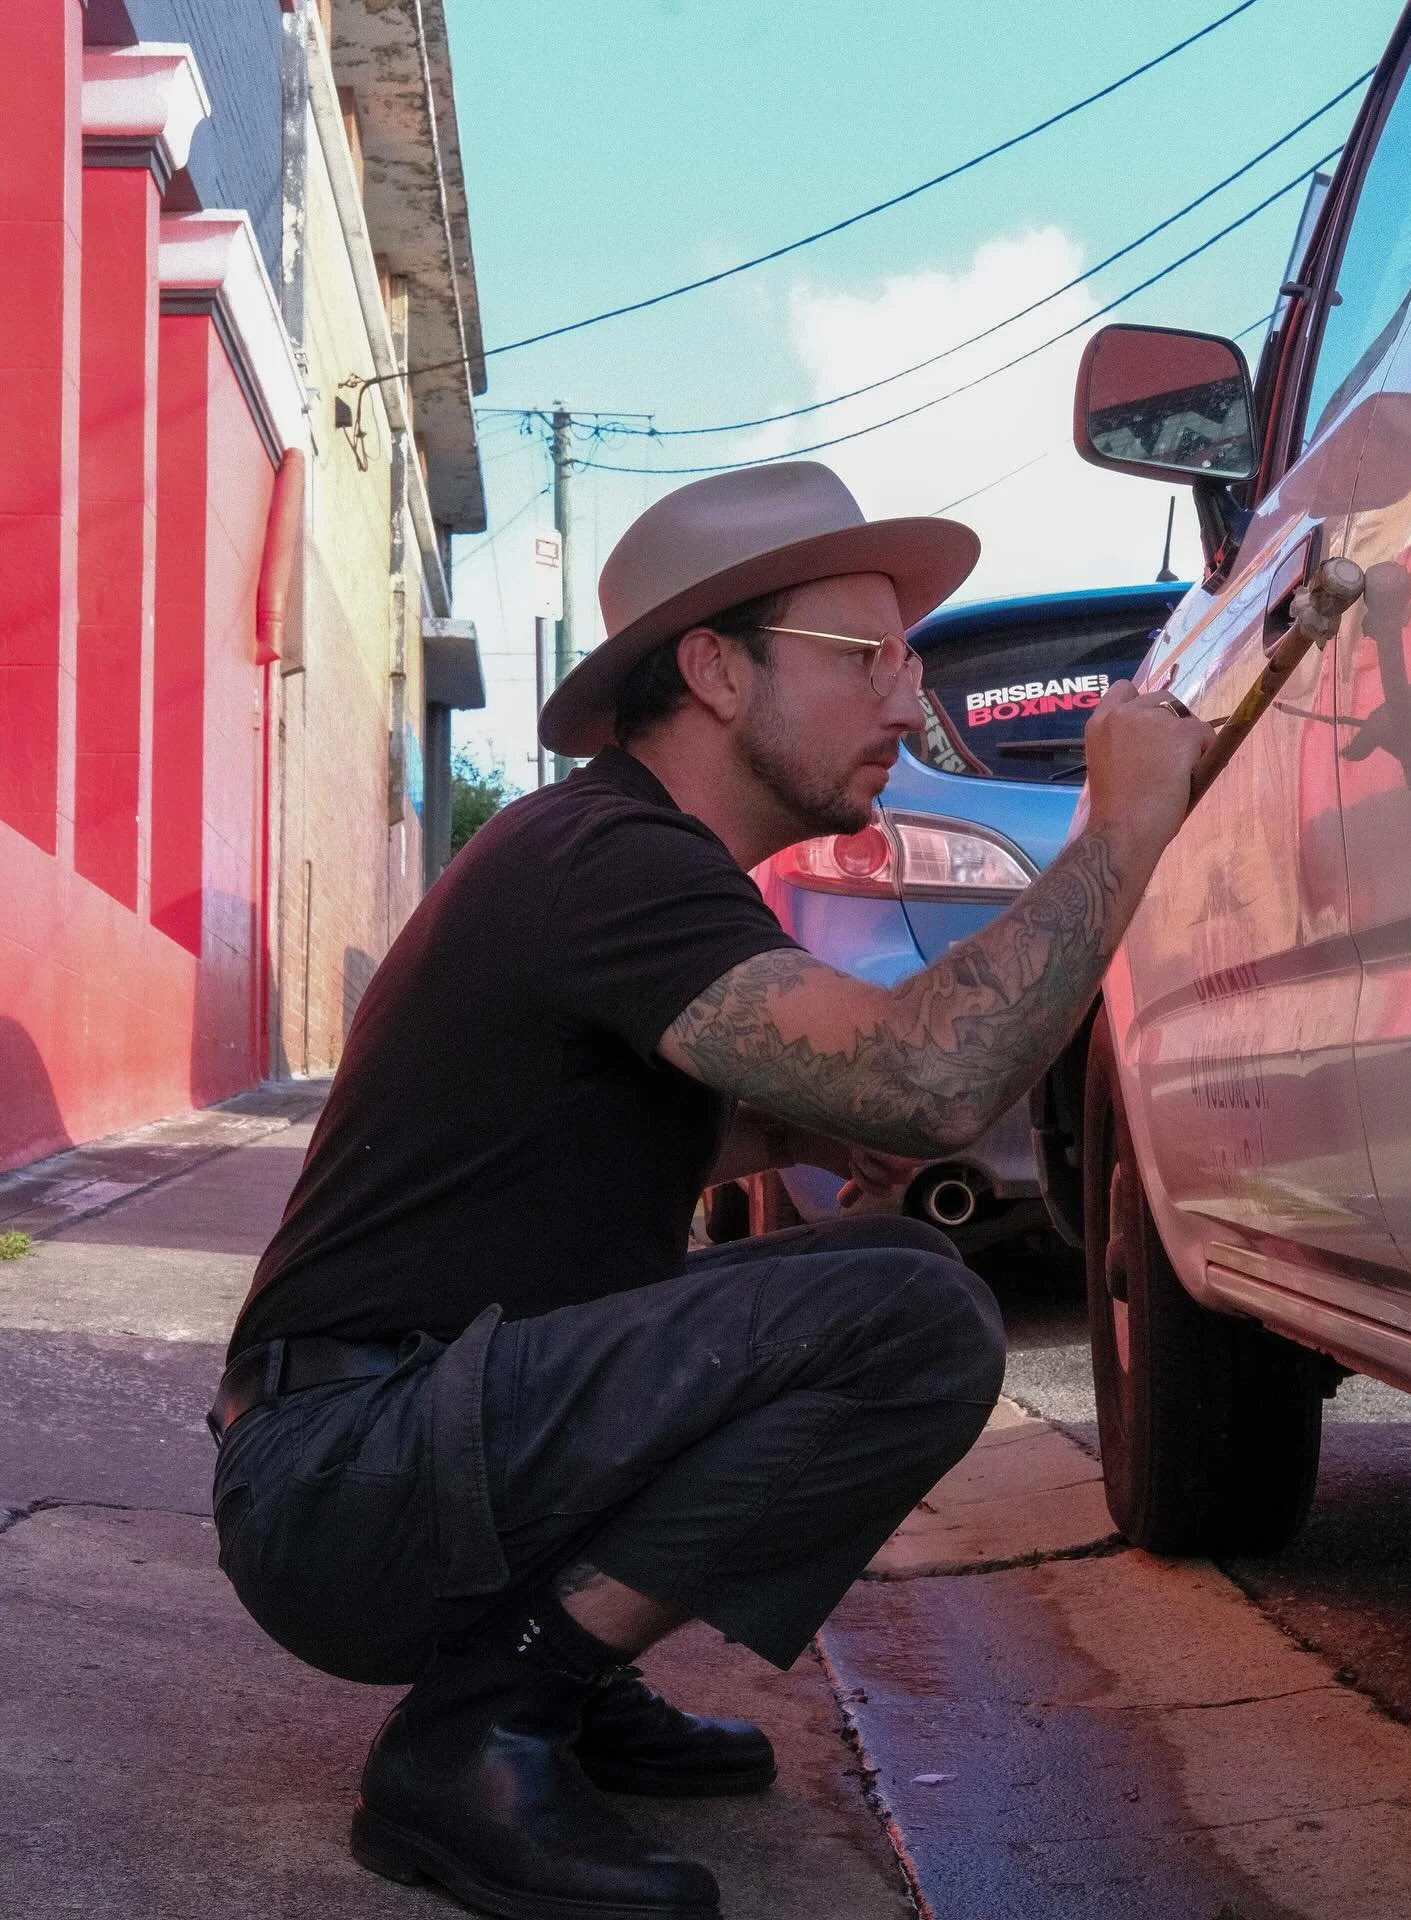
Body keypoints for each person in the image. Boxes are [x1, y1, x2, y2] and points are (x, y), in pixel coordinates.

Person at [210, 460, 1212, 1918]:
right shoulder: (612, 858)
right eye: (862, 658)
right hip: (348, 1472)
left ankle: (560, 1673)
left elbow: (558, 1137)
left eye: (910, 661)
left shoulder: (615, 860)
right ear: (714, 671)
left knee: (846, 1286)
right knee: (916, 1315)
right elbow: (926, 1082)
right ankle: (483, 1723)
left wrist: (779, 1137)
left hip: (379, 1434)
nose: (904, 701)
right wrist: (1119, 825)